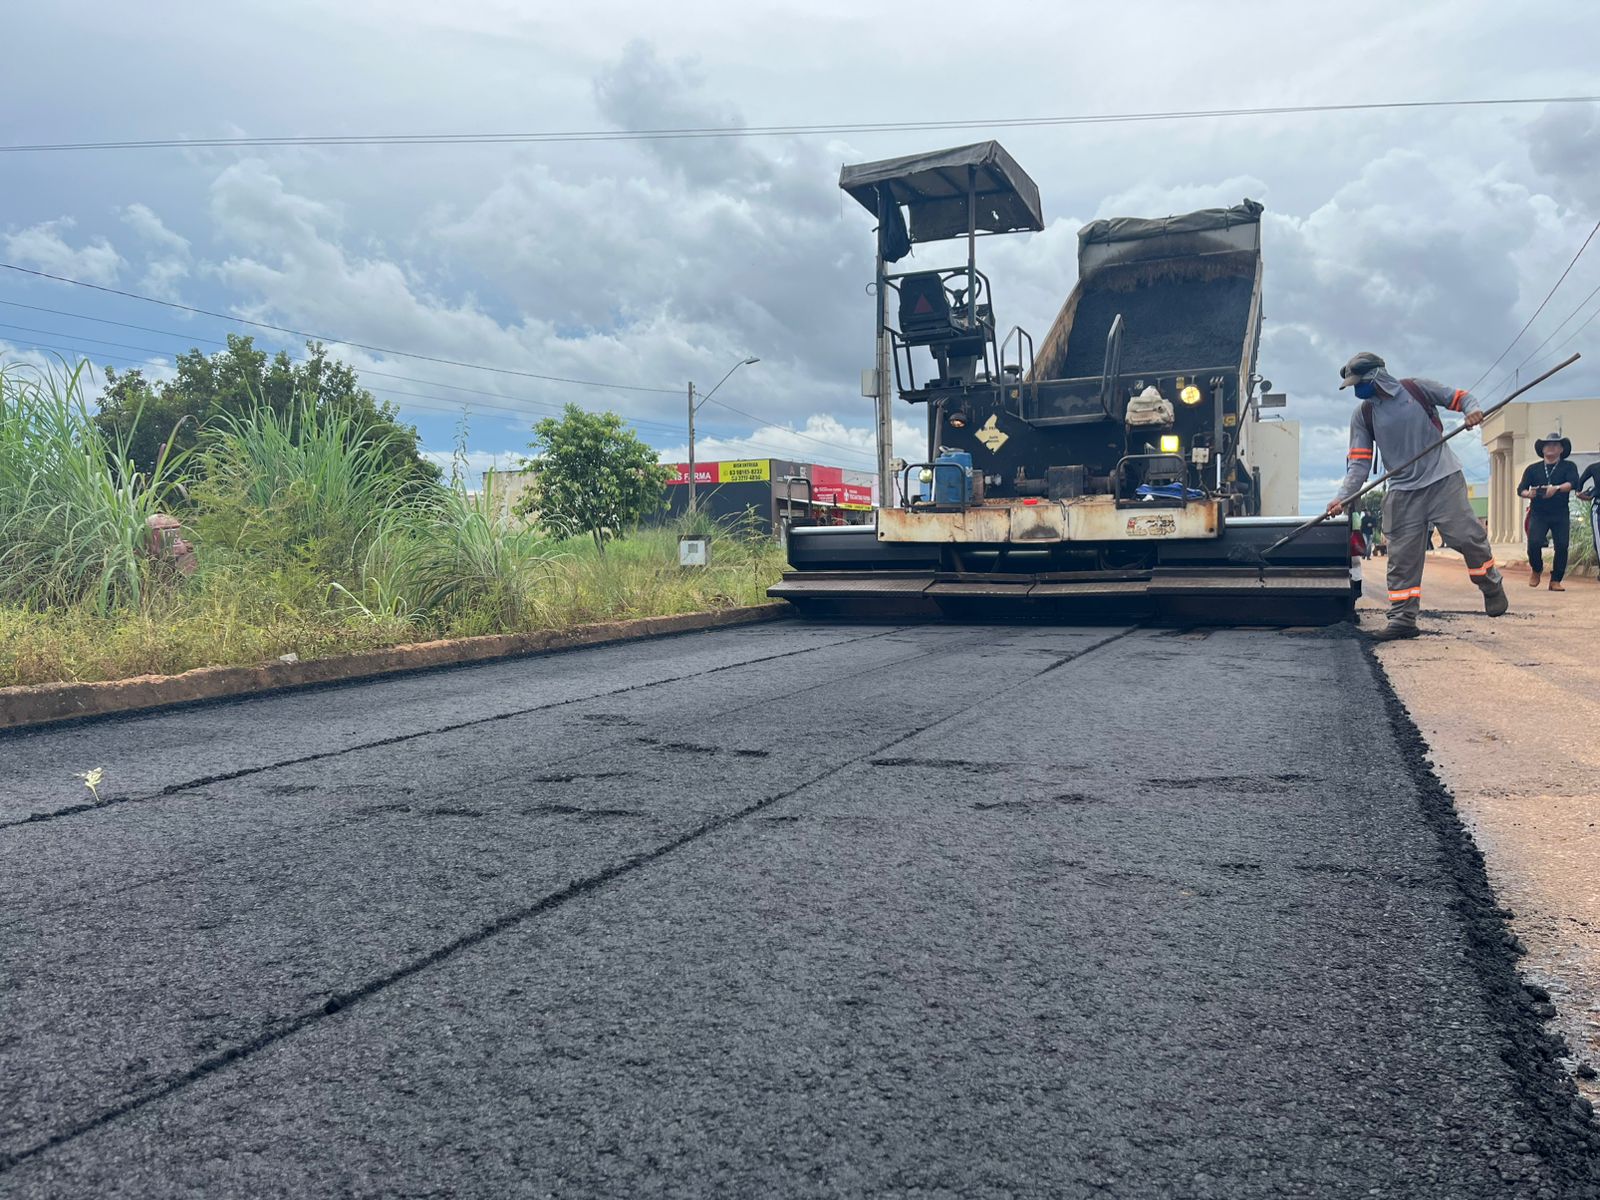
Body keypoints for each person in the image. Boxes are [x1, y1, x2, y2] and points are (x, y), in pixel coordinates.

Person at [1325, 351, 1508, 640]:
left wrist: (1471, 411)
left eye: (1358, 383)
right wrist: (1342, 497)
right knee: (1401, 557)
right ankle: (1403, 619)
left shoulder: (1416, 389)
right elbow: (1359, 462)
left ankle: (1489, 582)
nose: (1356, 391)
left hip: (1442, 478)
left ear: (1376, 376)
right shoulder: (1364, 414)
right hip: (1402, 489)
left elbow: (1461, 397)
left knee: (1466, 537)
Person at [1519, 432, 1580, 590]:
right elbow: (1521, 489)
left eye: (1555, 445)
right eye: (1547, 445)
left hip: (1560, 512)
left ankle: (1555, 580)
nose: (1551, 447)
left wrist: (1557, 488)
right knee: (1534, 543)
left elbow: (1573, 483)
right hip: (1539, 512)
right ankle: (1537, 568)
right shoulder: (1533, 469)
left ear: (1561, 449)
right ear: (1543, 449)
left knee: (1561, 545)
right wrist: (1529, 493)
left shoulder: (1568, 466)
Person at [1578, 448, 1600, 567]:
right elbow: (1579, 484)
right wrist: (1582, 495)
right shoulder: (1594, 468)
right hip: (1598, 508)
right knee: (1599, 541)